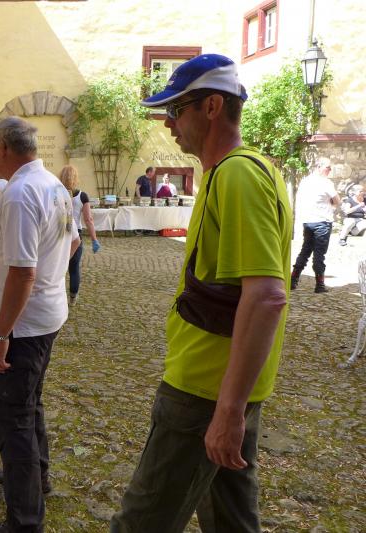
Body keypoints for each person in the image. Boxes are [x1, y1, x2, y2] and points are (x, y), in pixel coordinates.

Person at [111, 54, 291, 532]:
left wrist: (228, 408)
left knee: (141, 522)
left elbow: (267, 295)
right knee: (231, 521)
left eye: (176, 109)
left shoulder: (237, 174)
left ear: (212, 107)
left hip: (204, 390)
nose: (167, 123)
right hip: (223, 384)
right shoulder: (239, 171)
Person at [0, 117, 80, 533]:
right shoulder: (52, 184)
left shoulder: (20, 193)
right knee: (29, 402)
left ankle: (24, 521)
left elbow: (23, 273)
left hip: (25, 325)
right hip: (44, 314)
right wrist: (52, 280)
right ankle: (36, 477)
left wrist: (0, 334)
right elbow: (72, 241)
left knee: (12, 416)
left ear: (4, 148)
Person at [290, 157, 340, 293]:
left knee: (305, 250)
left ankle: (293, 280)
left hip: (308, 221)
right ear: (319, 167)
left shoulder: (305, 181)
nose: (330, 170)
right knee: (319, 254)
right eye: (328, 167)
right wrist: (330, 202)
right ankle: (320, 285)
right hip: (322, 221)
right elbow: (337, 201)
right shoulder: (326, 183)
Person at [59, 165, 101, 305]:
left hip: (58, 234)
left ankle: (56, 294)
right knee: (74, 267)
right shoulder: (82, 196)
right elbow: (88, 220)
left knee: (57, 265)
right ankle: (73, 297)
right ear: (76, 178)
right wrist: (94, 239)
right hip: (75, 235)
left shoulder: (56, 193)